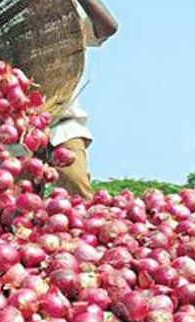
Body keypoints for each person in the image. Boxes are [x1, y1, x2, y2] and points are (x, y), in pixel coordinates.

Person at [51, 0, 118, 199]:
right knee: (20, 203)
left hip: (62, 122)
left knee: (75, 182)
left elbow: (107, 27)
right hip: (18, 128)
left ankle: (81, 229)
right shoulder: (5, 26)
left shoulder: (62, 18)